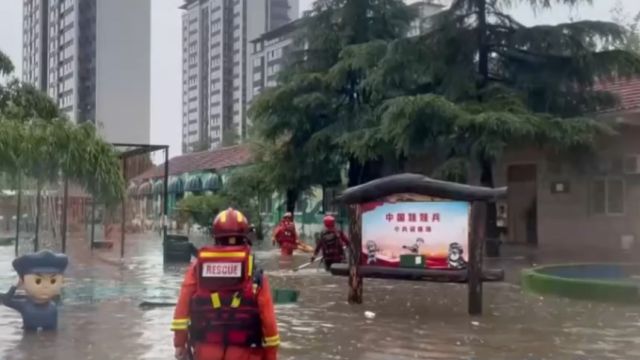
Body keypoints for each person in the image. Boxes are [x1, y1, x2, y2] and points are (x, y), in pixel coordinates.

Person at [171, 208, 280, 360]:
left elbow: (181, 312)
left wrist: (180, 344)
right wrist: (271, 356)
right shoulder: (255, 274)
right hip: (246, 353)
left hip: (205, 352)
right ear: (245, 237)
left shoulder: (197, 268)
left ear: (215, 237)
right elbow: (269, 325)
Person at [1, 250, 68, 331]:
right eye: (38, 281)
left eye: (52, 281)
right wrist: (15, 286)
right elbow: (6, 301)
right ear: (23, 282)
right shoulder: (24, 305)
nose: (45, 287)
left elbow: (6, 300)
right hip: (30, 336)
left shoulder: (54, 303)